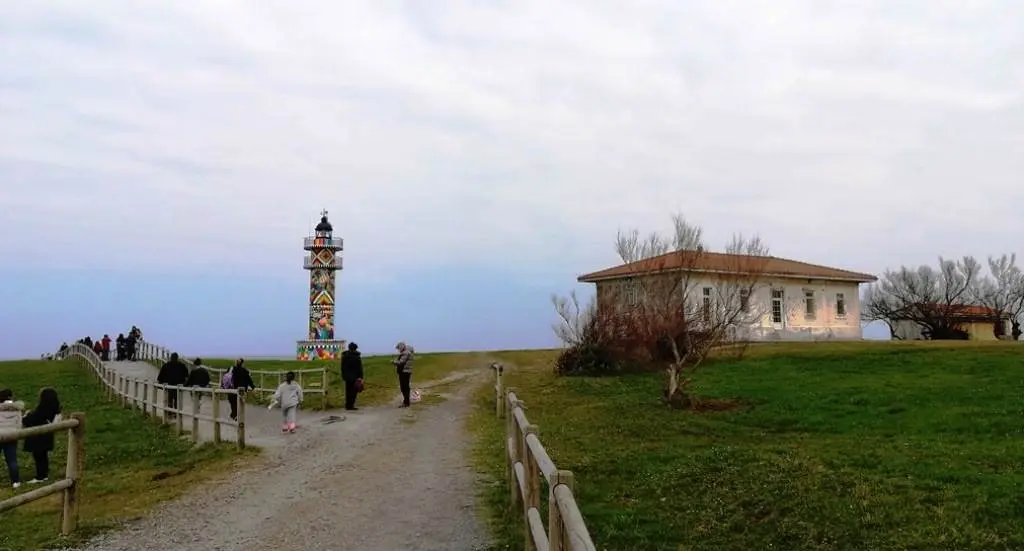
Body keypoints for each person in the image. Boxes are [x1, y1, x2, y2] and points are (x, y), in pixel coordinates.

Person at [21, 388, 62, 484]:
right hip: (47, 436)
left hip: (38, 438)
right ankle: (44, 475)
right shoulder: (55, 409)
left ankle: (40, 476)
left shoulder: (41, 410)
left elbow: (29, 420)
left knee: (39, 456)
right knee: (43, 456)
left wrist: (26, 415)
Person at [0, 388, 25, 489]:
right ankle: (15, 481)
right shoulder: (17, 409)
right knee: (12, 460)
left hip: (0, 435)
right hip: (11, 436)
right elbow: (19, 424)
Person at [157, 352, 189, 419]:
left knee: (170, 399)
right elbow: (186, 375)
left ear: (170, 358)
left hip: (169, 385)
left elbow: (160, 376)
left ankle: (169, 413)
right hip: (178, 385)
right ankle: (176, 413)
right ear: (177, 358)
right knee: (177, 400)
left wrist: (160, 384)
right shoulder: (181, 365)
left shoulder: (166, 365)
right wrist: (184, 383)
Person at [340, 342, 364, 411]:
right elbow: (359, 368)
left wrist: (343, 376)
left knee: (348, 391)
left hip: (347, 377)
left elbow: (342, 368)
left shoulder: (344, 356)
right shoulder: (357, 356)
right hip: (355, 377)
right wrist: (361, 377)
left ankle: (348, 405)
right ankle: (351, 405)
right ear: (355, 348)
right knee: (354, 392)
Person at [393, 341, 415, 408]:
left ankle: (406, 402)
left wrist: (394, 362)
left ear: (401, 347)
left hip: (404, 372)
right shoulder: (409, 352)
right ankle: (406, 401)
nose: (398, 350)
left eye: (399, 348)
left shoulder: (405, 353)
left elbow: (401, 362)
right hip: (407, 371)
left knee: (404, 388)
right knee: (406, 387)